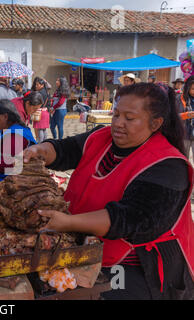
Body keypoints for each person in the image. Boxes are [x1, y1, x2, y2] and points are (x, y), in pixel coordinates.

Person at [24, 82, 194, 300]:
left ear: (155, 123)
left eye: (129, 118)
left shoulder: (168, 167)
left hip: (138, 267)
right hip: (87, 247)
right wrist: (41, 150)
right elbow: (66, 149)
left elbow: (128, 219)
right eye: (116, 115)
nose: (118, 124)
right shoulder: (100, 137)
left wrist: (66, 222)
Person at [0, 99, 37, 189]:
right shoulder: (4, 129)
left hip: (8, 183)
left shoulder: (15, 135)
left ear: (5, 117)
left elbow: (10, 164)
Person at [176, 78, 194, 161]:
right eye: (193, 89)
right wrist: (187, 115)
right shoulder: (179, 99)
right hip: (185, 135)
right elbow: (174, 116)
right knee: (183, 159)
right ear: (187, 88)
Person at [32, 77, 51, 142]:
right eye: (36, 84)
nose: (36, 86)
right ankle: (44, 142)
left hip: (40, 113)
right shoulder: (47, 92)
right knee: (44, 129)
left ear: (42, 85)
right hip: (46, 112)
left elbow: (36, 103)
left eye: (37, 85)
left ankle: (41, 143)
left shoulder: (39, 93)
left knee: (40, 129)